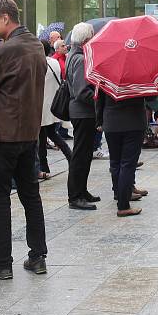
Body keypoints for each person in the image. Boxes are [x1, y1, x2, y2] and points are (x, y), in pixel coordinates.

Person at [0, 0, 48, 280]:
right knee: (31, 195)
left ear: (6, 18)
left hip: (3, 134)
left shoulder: (4, 52)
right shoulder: (35, 45)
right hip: (29, 132)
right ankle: (37, 255)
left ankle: (1, 261)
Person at [66, 22, 101, 210]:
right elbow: (82, 92)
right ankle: (75, 196)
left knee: (84, 154)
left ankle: (81, 190)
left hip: (81, 112)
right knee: (80, 155)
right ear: (86, 39)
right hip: (82, 112)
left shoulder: (75, 55)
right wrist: (99, 98)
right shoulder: (79, 58)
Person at [96, 93, 145, 217]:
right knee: (127, 164)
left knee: (116, 162)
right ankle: (123, 205)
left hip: (111, 123)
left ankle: (119, 194)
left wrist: (99, 121)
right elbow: (151, 97)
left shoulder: (106, 75)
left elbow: (99, 99)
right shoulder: (139, 75)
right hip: (134, 123)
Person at [38, 40, 72, 178]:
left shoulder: (40, 64)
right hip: (53, 105)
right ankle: (70, 157)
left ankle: (44, 166)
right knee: (51, 134)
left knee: (42, 138)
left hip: (42, 106)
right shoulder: (54, 62)